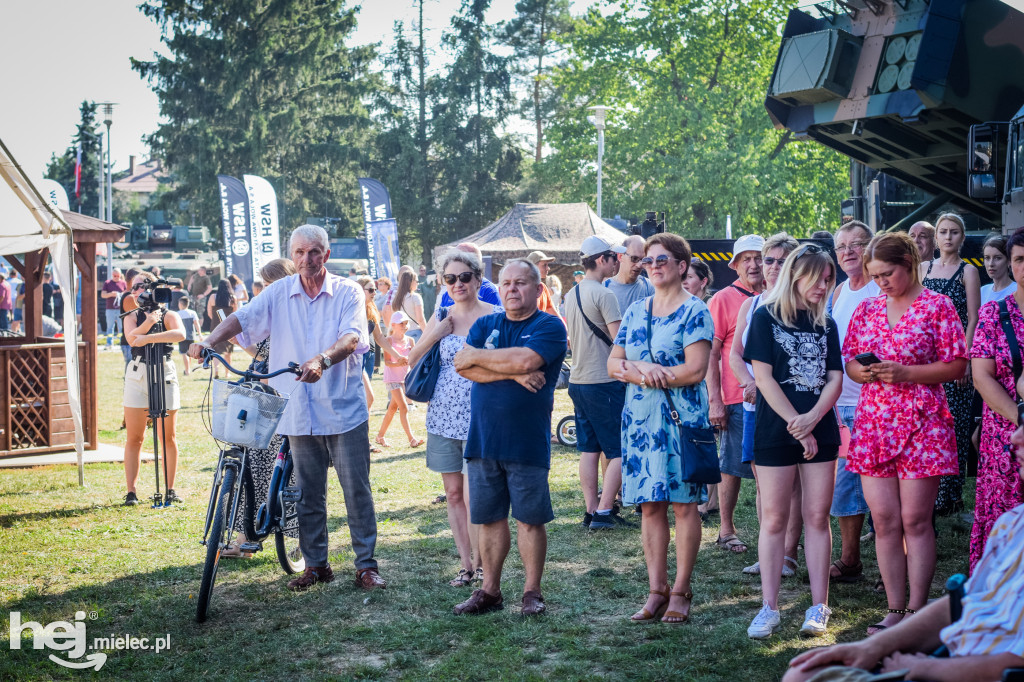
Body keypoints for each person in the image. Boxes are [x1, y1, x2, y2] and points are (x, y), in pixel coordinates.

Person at [192, 224, 386, 592]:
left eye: (314, 252)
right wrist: (208, 340)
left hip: (341, 408)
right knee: (307, 492)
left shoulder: (347, 292)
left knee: (355, 490)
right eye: (298, 252)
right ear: (292, 255)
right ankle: (316, 565)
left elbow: (352, 338)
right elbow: (242, 319)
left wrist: (323, 360)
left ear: (326, 255)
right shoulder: (279, 292)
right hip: (297, 410)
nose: (306, 259)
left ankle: (366, 567)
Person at [782, 391, 1024, 682]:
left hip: (971, 670)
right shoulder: (1013, 523)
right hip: (954, 654)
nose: (1013, 438)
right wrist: (873, 647)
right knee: (803, 673)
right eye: (1020, 421)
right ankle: (896, 609)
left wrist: (926, 669)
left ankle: (909, 607)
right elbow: (967, 603)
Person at [844, 231, 966, 634]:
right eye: (875, 275)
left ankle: (917, 610)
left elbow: (956, 366)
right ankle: (895, 610)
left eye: (888, 273)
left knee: (915, 519)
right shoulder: (867, 309)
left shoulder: (937, 305)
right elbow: (849, 363)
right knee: (884, 519)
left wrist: (906, 373)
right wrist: (861, 371)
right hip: (876, 422)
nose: (881, 282)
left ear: (910, 263)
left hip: (922, 422)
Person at [607, 233, 713, 624]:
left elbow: (695, 370)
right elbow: (613, 365)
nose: (653, 265)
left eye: (662, 259)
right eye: (648, 260)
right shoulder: (636, 311)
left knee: (685, 506)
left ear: (682, 266)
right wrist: (642, 371)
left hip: (681, 420)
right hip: (640, 422)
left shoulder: (696, 311)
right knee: (650, 507)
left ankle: (681, 591)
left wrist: (651, 372)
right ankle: (656, 591)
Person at [451, 259, 567, 616]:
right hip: (484, 440)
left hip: (527, 441)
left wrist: (484, 359)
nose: (512, 289)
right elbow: (461, 366)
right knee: (488, 518)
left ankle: (532, 592)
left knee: (530, 519)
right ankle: (490, 591)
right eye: (505, 283)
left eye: (520, 283)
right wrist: (513, 374)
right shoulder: (486, 322)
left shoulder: (550, 325)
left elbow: (526, 359)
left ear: (537, 288)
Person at [743, 243, 843, 639]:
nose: (824, 285)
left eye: (829, 279)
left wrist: (813, 419)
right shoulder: (765, 317)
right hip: (774, 430)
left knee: (817, 518)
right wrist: (796, 423)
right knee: (774, 520)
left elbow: (835, 378)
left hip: (820, 429)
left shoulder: (826, 324)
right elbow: (763, 377)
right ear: (796, 275)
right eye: (818, 277)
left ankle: (819, 607)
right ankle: (769, 607)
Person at [407, 249, 502, 588]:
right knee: (453, 494)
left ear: (478, 279)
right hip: (443, 416)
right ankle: (465, 564)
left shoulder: (497, 315)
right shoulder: (442, 313)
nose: (458, 283)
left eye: (465, 277)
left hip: (484, 416)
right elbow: (413, 356)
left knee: (478, 494)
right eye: (450, 278)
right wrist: (436, 332)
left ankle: (481, 564)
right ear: (443, 282)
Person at [729, 232, 803, 579]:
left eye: (779, 260)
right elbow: (734, 354)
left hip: (794, 407)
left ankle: (789, 553)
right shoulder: (752, 304)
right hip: (754, 408)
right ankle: (769, 551)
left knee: (794, 484)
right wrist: (749, 382)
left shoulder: (805, 303)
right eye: (767, 259)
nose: (770, 267)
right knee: (763, 483)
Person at [220, 258, 302, 559]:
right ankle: (244, 535)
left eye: (269, 284)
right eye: (263, 285)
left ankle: (298, 537)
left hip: (285, 387)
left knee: (285, 465)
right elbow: (262, 352)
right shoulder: (265, 307)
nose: (265, 290)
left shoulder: (297, 310)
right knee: (246, 461)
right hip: (259, 382)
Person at [564, 235, 630, 529]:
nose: (618, 262)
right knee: (618, 448)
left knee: (589, 449)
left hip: (578, 381)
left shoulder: (571, 293)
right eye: (615, 257)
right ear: (602, 259)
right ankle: (604, 512)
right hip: (603, 380)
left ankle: (591, 510)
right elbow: (620, 341)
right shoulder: (605, 295)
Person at [827, 221, 880, 585]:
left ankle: (893, 566)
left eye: (856, 244)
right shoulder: (837, 292)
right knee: (845, 486)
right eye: (842, 246)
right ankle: (850, 561)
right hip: (841, 404)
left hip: (877, 403)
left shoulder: (883, 288)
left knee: (883, 488)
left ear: (871, 247)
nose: (848, 251)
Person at [969, 228, 1024, 571]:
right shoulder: (994, 313)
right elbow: (981, 375)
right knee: (1005, 519)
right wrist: (1019, 420)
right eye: (1019, 259)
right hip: (1005, 431)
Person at [707, 234, 765, 554]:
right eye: (747, 259)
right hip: (735, 396)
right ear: (736, 265)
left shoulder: (774, 296)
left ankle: (770, 531)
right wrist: (715, 399)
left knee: (767, 469)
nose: (754, 264)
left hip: (772, 399)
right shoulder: (723, 299)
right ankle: (726, 529)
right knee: (731, 466)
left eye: (759, 257)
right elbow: (711, 353)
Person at [921, 212, 980, 516]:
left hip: (953, 357)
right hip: (924, 358)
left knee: (954, 426)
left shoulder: (968, 271)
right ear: (936, 237)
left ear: (962, 237)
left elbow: (972, 317)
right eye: (943, 231)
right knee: (927, 426)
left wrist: (965, 359)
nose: (947, 237)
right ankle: (929, 494)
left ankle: (951, 496)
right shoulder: (923, 269)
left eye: (954, 232)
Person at [122, 271, 186, 506]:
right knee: (135, 437)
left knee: (167, 436)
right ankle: (131, 491)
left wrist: (147, 338)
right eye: (134, 287)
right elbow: (131, 339)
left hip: (165, 370)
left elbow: (180, 334)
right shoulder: (131, 315)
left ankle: (170, 489)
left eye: (142, 285)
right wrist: (148, 323)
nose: (137, 291)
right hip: (138, 373)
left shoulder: (169, 314)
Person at [375, 312, 424, 448]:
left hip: (405, 379)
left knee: (392, 409)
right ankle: (412, 439)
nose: (405, 326)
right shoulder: (388, 340)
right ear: (393, 325)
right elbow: (387, 363)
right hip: (392, 379)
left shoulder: (410, 340)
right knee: (403, 407)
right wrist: (399, 363)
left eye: (406, 323)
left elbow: (413, 360)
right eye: (401, 323)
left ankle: (380, 437)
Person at [604, 235, 655, 316]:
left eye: (643, 260)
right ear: (620, 256)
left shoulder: (650, 288)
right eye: (634, 259)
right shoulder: (604, 289)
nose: (639, 265)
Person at [438, 243, 502, 307]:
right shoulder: (447, 294)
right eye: (450, 278)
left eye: (465, 276)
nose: (458, 285)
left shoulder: (490, 292)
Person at [384, 268, 427, 342]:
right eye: (416, 281)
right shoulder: (415, 297)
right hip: (415, 333)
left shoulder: (396, 298)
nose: (418, 283)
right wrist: (427, 333)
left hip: (400, 335)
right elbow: (420, 319)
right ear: (410, 282)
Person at [207, 279, 238, 378]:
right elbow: (235, 313)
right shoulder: (233, 298)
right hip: (228, 327)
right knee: (228, 351)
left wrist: (216, 321)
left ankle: (216, 370)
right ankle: (227, 372)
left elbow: (209, 313)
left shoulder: (213, 297)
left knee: (216, 349)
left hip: (215, 326)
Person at [526, 251, 564, 320]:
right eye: (544, 265)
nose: (548, 268)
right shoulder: (522, 289)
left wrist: (564, 327)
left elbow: (550, 310)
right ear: (533, 267)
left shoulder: (543, 287)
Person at [980, 233, 1016, 306]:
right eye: (987, 258)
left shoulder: (1018, 291)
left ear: (1009, 260)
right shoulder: (982, 291)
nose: (991, 264)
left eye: (997, 258)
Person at [175, 296, 202, 375]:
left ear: (180, 304)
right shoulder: (192, 312)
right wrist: (199, 334)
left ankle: (187, 370)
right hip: (191, 335)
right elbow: (196, 324)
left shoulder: (177, 314)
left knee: (184, 353)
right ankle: (188, 368)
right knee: (189, 353)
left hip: (182, 336)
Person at [101, 268, 127, 344]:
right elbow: (103, 295)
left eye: (117, 275)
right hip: (110, 309)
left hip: (120, 309)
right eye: (114, 275)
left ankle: (121, 342)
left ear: (120, 275)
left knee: (121, 327)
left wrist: (121, 295)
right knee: (110, 327)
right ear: (112, 275)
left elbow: (127, 294)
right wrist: (111, 294)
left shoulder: (123, 283)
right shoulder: (107, 283)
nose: (116, 277)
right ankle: (109, 343)